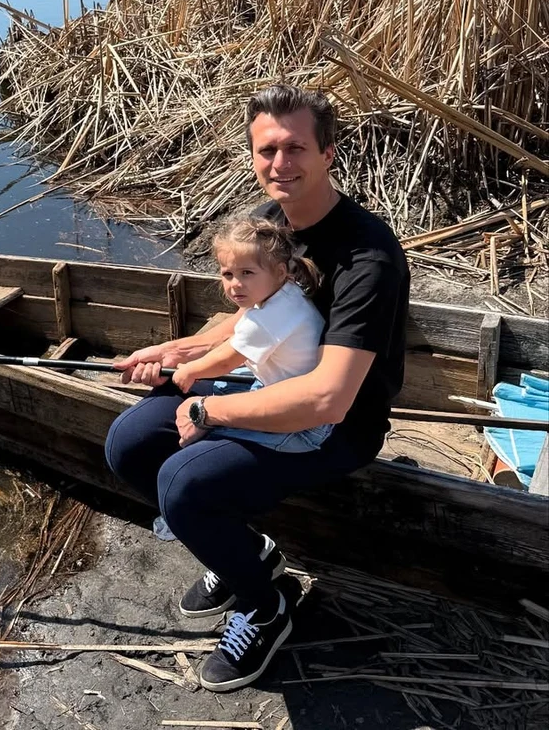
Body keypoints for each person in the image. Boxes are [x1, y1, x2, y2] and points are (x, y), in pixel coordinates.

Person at [104, 84, 410, 693]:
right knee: (130, 443)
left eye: (296, 147)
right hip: (270, 379)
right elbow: (250, 317)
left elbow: (328, 397)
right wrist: (179, 351)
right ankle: (246, 551)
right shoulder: (270, 224)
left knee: (183, 482)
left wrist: (209, 407)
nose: (280, 163)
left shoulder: (366, 256)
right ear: (252, 156)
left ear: (328, 152)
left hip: (336, 427)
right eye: (266, 149)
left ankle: (264, 605)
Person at [171, 214, 332, 454]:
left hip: (301, 425)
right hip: (283, 391)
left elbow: (227, 358)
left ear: (279, 272)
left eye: (247, 273)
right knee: (221, 385)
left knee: (205, 433)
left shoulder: (268, 318)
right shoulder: (288, 292)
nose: (235, 283)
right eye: (228, 274)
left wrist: (191, 369)